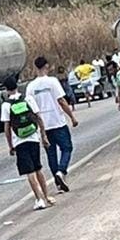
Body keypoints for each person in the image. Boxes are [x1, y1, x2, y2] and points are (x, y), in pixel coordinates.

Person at [25, 55, 78, 193]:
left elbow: (29, 108)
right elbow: (61, 101)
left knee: (51, 154)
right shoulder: (53, 81)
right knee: (67, 148)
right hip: (57, 121)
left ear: (35, 68)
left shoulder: (31, 87)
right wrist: (72, 116)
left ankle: (59, 184)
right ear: (47, 66)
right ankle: (61, 172)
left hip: (43, 126)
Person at [1, 82, 54, 209]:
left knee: (29, 172)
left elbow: (7, 128)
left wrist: (10, 145)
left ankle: (39, 199)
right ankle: (46, 196)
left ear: (7, 90)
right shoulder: (28, 99)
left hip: (19, 141)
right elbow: (38, 117)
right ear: (17, 87)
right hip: (33, 138)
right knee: (38, 168)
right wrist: (43, 135)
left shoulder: (6, 105)